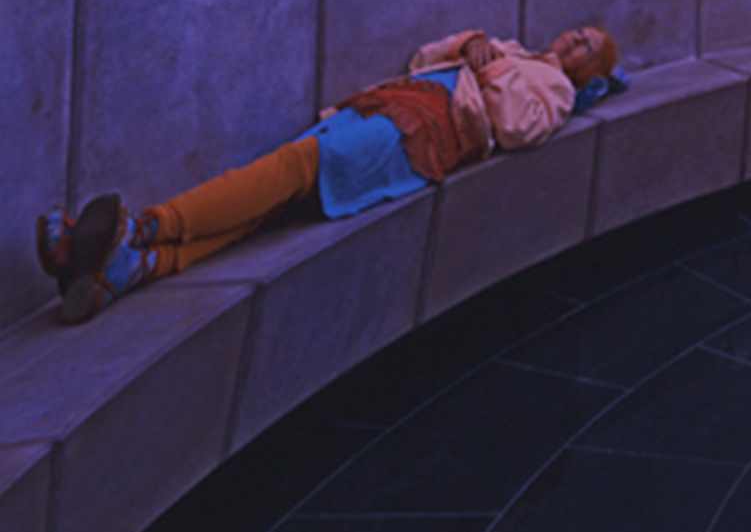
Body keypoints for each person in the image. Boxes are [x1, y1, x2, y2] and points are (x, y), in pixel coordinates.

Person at [36, 22, 621, 324]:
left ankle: (140, 227)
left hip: (420, 133)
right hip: (388, 104)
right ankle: (127, 269)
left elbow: (518, 128)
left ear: (590, 66)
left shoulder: (557, 91)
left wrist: (485, 68)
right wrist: (470, 42)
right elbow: (425, 57)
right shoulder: (507, 45)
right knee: (268, 204)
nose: (575, 37)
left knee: (288, 168)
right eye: (579, 31)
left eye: (587, 44)